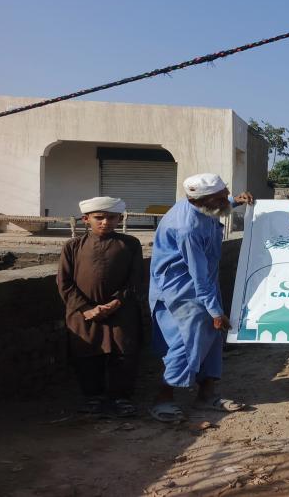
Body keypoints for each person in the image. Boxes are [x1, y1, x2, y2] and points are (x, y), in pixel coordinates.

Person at [148, 173, 254, 422]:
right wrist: (215, 311)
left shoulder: (202, 207)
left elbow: (216, 209)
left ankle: (207, 395)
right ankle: (163, 398)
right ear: (200, 201)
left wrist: (234, 201)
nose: (225, 198)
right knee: (186, 343)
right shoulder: (187, 228)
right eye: (221, 197)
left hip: (204, 286)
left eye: (225, 192)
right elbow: (198, 275)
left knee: (212, 339)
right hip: (183, 291)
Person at [57, 197, 144, 417]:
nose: (105, 222)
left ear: (119, 219)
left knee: (123, 353)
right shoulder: (73, 246)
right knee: (87, 354)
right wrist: (86, 308)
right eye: (99, 217)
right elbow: (64, 282)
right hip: (83, 312)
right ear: (86, 219)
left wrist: (116, 302)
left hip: (121, 310)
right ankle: (93, 398)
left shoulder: (130, 244)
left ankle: (121, 398)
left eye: (111, 218)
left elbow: (135, 279)